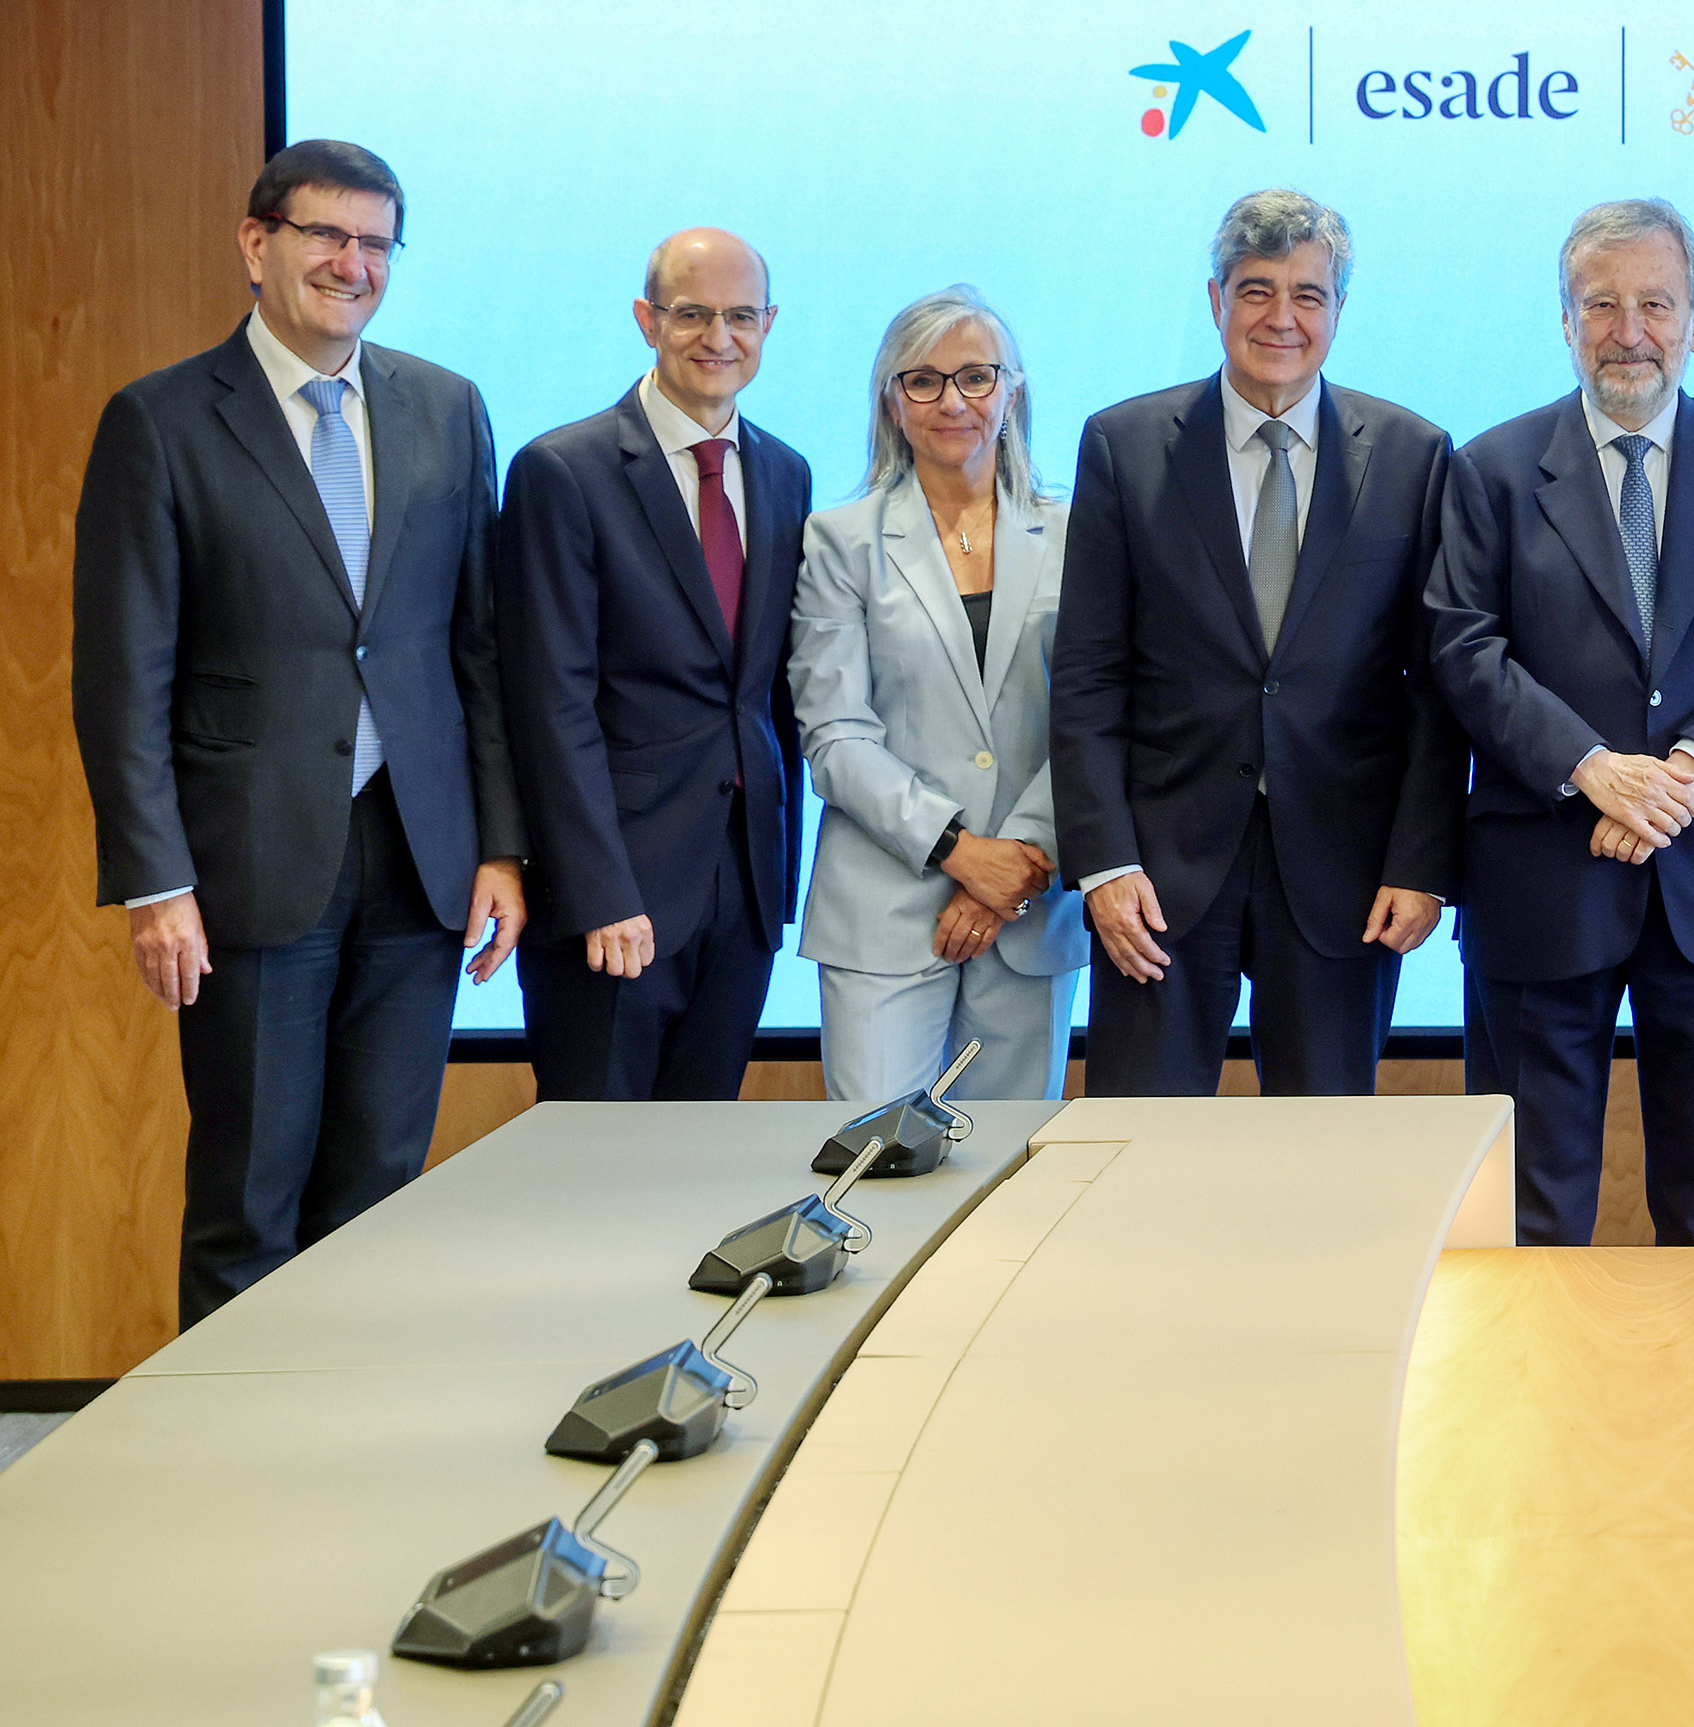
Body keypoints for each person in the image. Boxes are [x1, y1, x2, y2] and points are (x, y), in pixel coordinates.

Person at [72, 139, 525, 1324]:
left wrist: (500, 847)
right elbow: (126, 673)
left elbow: (474, 647)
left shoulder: (446, 405)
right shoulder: (162, 421)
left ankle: (347, 1460)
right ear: (256, 243)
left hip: (417, 855)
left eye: (376, 241)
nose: (352, 262)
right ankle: (229, 1477)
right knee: (248, 1199)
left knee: (379, 1189)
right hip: (247, 869)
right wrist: (154, 880)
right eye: (326, 234)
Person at [1426, 199, 1694, 1245]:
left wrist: (1678, 774)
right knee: (1526, 1211)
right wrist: (1595, 769)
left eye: (1655, 301)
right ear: (1565, 321)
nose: (1628, 328)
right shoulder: (1491, 470)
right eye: (1600, 303)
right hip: (1542, 877)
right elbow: (1464, 651)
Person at [1051, 191, 1461, 1097]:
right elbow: (1087, 674)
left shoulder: (1413, 453)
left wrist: (1420, 863)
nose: (1282, 318)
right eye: (1257, 290)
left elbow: (1433, 686)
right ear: (1215, 300)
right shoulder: (1126, 445)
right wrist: (1105, 863)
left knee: (1319, 1164)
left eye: (1308, 295)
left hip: (1344, 871)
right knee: (1137, 1155)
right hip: (1158, 872)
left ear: (1339, 310)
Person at [499, 228, 811, 1101]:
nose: (720, 337)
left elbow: (770, 692)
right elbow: (547, 701)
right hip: (616, 891)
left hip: (741, 888)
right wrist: (596, 889)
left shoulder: (786, 473)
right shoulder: (564, 471)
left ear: (770, 323)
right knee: (596, 1181)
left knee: (695, 1172)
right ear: (647, 320)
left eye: (742, 315)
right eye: (693, 314)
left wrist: (773, 881)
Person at [791, 288, 1089, 1105]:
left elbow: (1096, 722)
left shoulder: (1081, 535)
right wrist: (960, 851)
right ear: (891, 401)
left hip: (1031, 910)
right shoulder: (840, 541)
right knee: (874, 1169)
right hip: (884, 912)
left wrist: (1018, 863)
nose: (952, 401)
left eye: (976, 377)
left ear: (1013, 392)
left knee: (1004, 1184)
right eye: (922, 380)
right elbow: (836, 736)